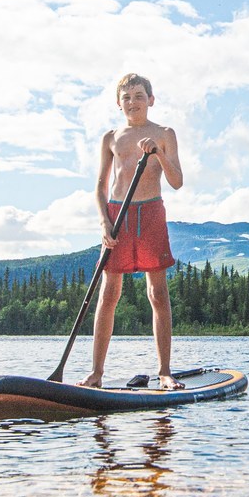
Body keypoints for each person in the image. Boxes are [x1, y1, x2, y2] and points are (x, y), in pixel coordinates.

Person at [80, 73, 185, 390]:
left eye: (139, 96)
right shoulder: (110, 137)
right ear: (118, 103)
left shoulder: (164, 133)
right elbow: (99, 187)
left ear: (151, 100)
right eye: (126, 97)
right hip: (117, 215)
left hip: (151, 211)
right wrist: (104, 222)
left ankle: (165, 371)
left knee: (158, 293)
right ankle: (96, 373)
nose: (133, 102)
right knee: (108, 294)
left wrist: (158, 154)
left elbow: (177, 181)